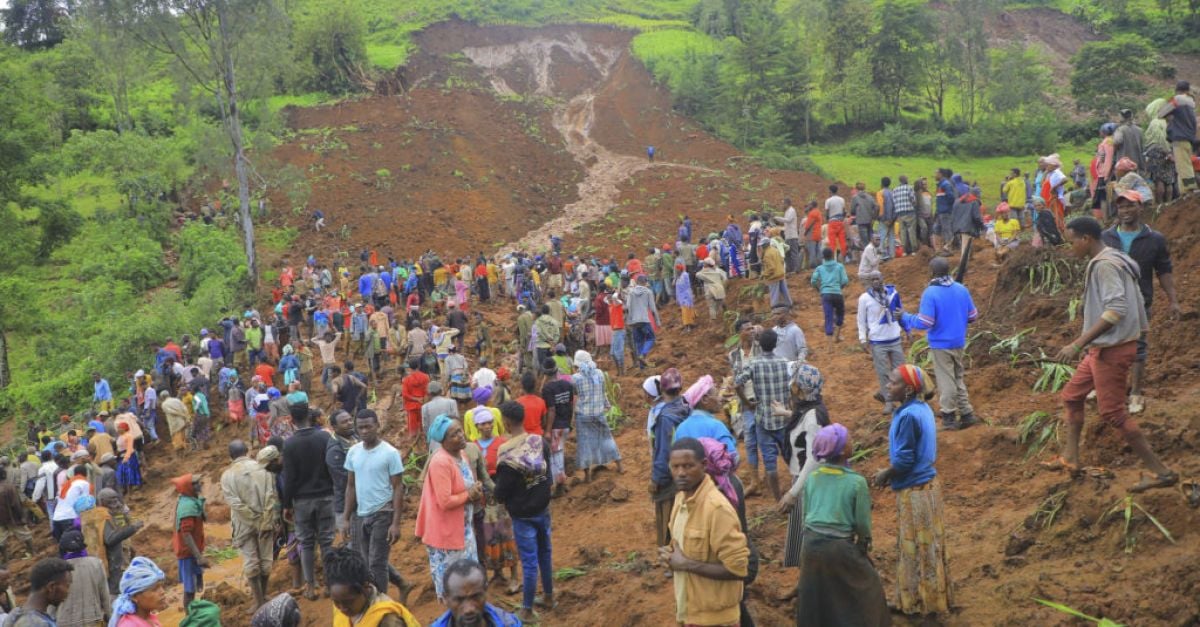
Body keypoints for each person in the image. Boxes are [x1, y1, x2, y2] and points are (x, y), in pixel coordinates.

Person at [1051, 216, 1177, 492]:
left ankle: (1162, 472)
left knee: (1113, 413)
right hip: (1104, 347)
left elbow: (1116, 310)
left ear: (1086, 239)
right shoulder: (1113, 257)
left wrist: (1077, 343)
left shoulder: (1105, 266)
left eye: (1072, 241)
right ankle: (1070, 458)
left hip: (1112, 349)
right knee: (1072, 396)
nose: (1070, 247)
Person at [873, 365, 952, 617]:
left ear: (908, 389)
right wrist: (889, 400)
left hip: (915, 491)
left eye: (893, 383)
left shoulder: (907, 416)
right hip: (927, 487)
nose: (887, 385)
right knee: (928, 547)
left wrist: (886, 474)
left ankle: (923, 607)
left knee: (916, 549)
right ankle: (926, 601)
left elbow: (905, 460)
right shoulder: (920, 408)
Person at [794, 425, 889, 626]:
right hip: (839, 547)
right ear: (843, 450)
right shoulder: (856, 482)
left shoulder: (813, 477)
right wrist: (864, 544)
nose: (852, 442)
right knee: (867, 586)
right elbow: (862, 524)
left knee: (817, 594)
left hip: (811, 545)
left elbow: (806, 514)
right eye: (849, 440)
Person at [1100, 190, 1181, 415]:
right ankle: (1108, 387)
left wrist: (1173, 300)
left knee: (1138, 346)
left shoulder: (1154, 239)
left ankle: (1135, 392)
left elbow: (1163, 270)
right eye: (1121, 207)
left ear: (1141, 208)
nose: (1125, 211)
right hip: (1110, 299)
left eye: (1130, 206)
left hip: (1140, 300)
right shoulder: (1107, 237)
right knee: (1107, 342)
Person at [659, 438, 749, 627]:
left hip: (715, 619)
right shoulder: (679, 500)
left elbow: (738, 569)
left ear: (704, 465)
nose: (681, 473)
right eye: (675, 467)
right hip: (689, 611)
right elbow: (680, 549)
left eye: (688, 466)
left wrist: (686, 564)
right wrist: (670, 557)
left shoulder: (717, 509)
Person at [902, 257, 980, 431]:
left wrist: (905, 317)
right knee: (958, 376)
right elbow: (973, 316)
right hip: (959, 341)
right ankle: (966, 413)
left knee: (946, 379)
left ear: (931, 272)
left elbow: (925, 322)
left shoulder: (930, 293)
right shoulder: (961, 289)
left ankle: (949, 416)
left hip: (941, 344)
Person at [493, 401, 554, 623]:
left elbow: (501, 491)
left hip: (522, 515)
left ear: (507, 423)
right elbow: (549, 474)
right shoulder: (539, 441)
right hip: (543, 507)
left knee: (529, 562)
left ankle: (527, 609)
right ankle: (548, 596)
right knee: (545, 552)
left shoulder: (506, 452)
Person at [344, 409, 412, 605]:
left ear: (377, 426)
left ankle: (380, 604)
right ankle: (401, 584)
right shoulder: (353, 452)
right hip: (360, 513)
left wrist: (396, 523)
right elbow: (350, 485)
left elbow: (398, 487)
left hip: (383, 512)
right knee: (365, 560)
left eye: (368, 426)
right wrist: (346, 518)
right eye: (360, 427)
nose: (364, 431)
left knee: (376, 562)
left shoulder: (389, 453)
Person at [416, 416, 482, 603]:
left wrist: (475, 489)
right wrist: (470, 495)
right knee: (454, 588)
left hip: (463, 530)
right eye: (454, 435)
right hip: (446, 535)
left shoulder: (461, 455)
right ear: (443, 441)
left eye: (460, 430)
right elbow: (444, 501)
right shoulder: (440, 462)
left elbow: (466, 485)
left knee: (468, 582)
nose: (461, 436)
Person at [280, 403, 336, 600]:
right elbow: (332, 467)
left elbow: (290, 478)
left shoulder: (289, 444)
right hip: (326, 496)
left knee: (307, 542)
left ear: (291, 420)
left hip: (302, 501)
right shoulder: (325, 437)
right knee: (327, 541)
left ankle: (311, 587)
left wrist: (286, 505)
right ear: (310, 417)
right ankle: (329, 585)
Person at [219, 439, 278, 610]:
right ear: (248, 450)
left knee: (251, 561)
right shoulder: (263, 469)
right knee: (266, 558)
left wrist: (252, 518)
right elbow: (270, 496)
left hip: (243, 524)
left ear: (230, 456)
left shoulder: (227, 476)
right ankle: (264, 594)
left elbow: (234, 504)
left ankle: (258, 601)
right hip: (265, 520)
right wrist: (264, 519)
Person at [734, 331, 792, 501]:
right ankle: (797, 490)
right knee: (790, 457)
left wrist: (748, 403)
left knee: (770, 462)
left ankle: (778, 500)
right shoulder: (785, 363)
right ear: (775, 344)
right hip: (783, 416)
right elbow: (794, 384)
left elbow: (737, 383)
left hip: (763, 419)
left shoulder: (754, 364)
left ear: (760, 344)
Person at [469, 410, 521, 595]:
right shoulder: (472, 446)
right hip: (483, 500)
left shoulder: (502, 443)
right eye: (483, 423)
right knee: (489, 536)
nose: (487, 426)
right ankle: (498, 573)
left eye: (490, 422)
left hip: (500, 496)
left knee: (506, 534)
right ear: (477, 427)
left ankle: (514, 576)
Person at [327, 546, 419, 627]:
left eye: (349, 602)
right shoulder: (342, 602)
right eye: (336, 602)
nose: (342, 608)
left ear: (365, 588)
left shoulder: (387, 619)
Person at [857, 270, 907, 414]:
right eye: (872, 279)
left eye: (877, 278)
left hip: (895, 338)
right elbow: (861, 320)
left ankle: (902, 398)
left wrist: (906, 330)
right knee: (882, 372)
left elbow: (900, 311)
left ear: (882, 278)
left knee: (900, 371)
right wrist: (863, 339)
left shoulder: (893, 293)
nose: (875, 282)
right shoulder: (864, 298)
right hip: (877, 341)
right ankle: (889, 402)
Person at [571, 351, 622, 483]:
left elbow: (575, 399)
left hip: (583, 415)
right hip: (599, 412)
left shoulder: (575, 378)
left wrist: (572, 417)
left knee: (585, 445)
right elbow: (603, 392)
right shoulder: (599, 373)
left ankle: (587, 476)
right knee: (607, 438)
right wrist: (607, 405)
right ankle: (619, 466)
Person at [430, 559, 522, 627]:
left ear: (486, 592)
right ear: (445, 599)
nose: (468, 609)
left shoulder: (509, 624)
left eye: (475, 597)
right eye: (459, 600)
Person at [54, 529, 111, 627]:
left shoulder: (56, 568)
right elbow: (105, 596)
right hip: (93, 619)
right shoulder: (96, 564)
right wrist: (110, 617)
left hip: (65, 621)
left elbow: (51, 601)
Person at [171, 473, 208, 610]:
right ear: (188, 487)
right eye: (197, 483)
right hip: (188, 553)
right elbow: (186, 535)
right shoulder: (187, 507)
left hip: (192, 551)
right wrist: (199, 557)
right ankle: (189, 617)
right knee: (189, 588)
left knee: (193, 585)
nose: (201, 485)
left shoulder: (190, 500)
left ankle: (191, 613)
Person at [96, 489, 141, 596]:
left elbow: (129, 521)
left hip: (122, 548)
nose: (115, 504)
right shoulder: (102, 516)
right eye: (111, 501)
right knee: (115, 585)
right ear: (103, 502)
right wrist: (132, 529)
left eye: (116, 500)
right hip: (110, 557)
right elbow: (110, 539)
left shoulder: (119, 510)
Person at [1156, 80, 1197, 194]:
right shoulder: (1191, 103)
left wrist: (1169, 115)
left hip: (1179, 138)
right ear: (1188, 90)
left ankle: (1189, 189)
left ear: (1177, 90)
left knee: (1183, 166)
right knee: (1182, 165)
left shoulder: (1177, 100)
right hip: (1189, 139)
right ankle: (1183, 192)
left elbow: (1160, 114)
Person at [6, 558, 73, 627]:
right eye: (67, 586)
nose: (68, 591)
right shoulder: (35, 623)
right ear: (52, 587)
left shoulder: (14, 614)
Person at [810, 247, 849, 349]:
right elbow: (845, 280)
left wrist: (819, 289)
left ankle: (830, 345)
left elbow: (813, 281)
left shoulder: (820, 268)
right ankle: (837, 335)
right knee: (840, 314)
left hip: (825, 294)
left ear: (823, 257)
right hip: (837, 293)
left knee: (828, 317)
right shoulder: (839, 266)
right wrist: (839, 288)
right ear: (832, 256)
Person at [625, 275, 660, 370]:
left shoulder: (630, 292)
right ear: (645, 282)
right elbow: (653, 308)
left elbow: (627, 307)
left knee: (639, 342)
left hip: (634, 322)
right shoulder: (648, 292)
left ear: (636, 282)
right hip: (644, 320)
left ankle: (642, 367)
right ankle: (643, 355)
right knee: (651, 338)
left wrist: (629, 320)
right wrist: (657, 321)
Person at [0, 468, 32, 563]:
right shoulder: (10, 487)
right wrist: (21, 516)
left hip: (1, 520)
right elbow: (16, 504)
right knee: (25, 534)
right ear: (4, 475)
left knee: (1, 540)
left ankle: (6, 559)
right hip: (13, 517)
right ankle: (32, 552)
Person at [760, 230, 791, 309]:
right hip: (781, 274)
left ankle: (775, 309)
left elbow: (771, 268)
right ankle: (789, 305)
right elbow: (782, 260)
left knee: (774, 295)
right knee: (785, 292)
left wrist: (764, 274)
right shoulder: (775, 250)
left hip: (774, 277)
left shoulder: (767, 254)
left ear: (764, 246)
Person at [402, 358, 431, 439]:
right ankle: (424, 439)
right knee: (424, 424)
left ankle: (413, 443)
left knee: (412, 427)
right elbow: (427, 392)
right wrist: (422, 401)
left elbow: (405, 394)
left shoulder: (406, 379)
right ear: (418, 366)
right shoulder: (426, 377)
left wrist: (416, 399)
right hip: (423, 404)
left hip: (411, 406)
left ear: (409, 368)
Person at [773, 198, 801, 273]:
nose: (782, 205)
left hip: (792, 235)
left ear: (787, 204)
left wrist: (777, 218)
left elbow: (788, 220)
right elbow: (786, 222)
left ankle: (796, 269)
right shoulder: (787, 211)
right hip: (788, 235)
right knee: (787, 253)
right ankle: (790, 269)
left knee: (794, 253)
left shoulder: (792, 210)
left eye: (783, 204)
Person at [825, 185, 848, 261]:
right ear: (837, 191)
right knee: (842, 241)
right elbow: (844, 211)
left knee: (832, 242)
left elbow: (827, 213)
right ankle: (842, 257)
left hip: (832, 222)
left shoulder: (828, 201)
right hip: (840, 222)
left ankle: (831, 259)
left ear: (830, 191)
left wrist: (827, 220)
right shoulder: (842, 200)